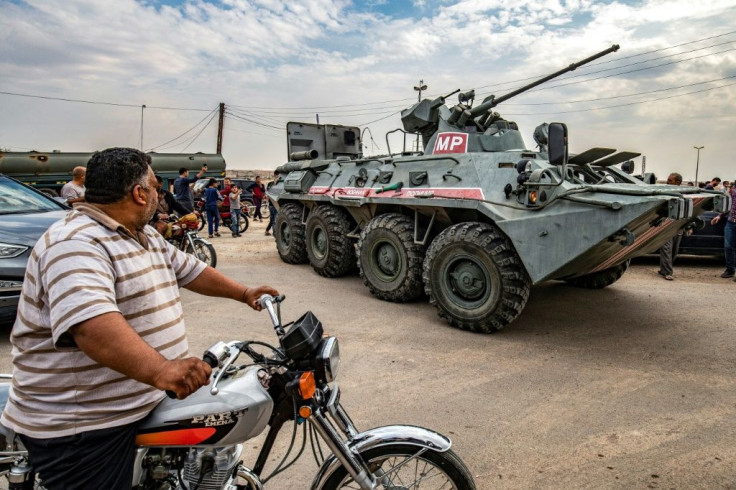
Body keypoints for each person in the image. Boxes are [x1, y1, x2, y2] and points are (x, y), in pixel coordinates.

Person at [0, 147, 278, 489]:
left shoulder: (140, 233)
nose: (159, 195)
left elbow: (190, 269)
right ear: (139, 192)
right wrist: (162, 370)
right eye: (155, 188)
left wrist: (244, 293)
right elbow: (93, 327)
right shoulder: (74, 243)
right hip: (87, 426)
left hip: (139, 405)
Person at [659, 172, 685, 280]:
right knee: (666, 249)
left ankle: (663, 269)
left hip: (678, 225)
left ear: (678, 183)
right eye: (668, 180)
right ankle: (667, 272)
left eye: (670, 181)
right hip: (666, 225)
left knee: (674, 250)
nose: (667, 182)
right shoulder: (665, 192)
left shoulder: (684, 194)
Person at [711, 177, 736, 279]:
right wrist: (719, 215)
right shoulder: (733, 189)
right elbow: (729, 205)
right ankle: (730, 270)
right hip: (731, 222)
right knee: (728, 247)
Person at [265, 171, 279, 236]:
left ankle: (267, 230)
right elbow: (269, 193)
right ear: (275, 176)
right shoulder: (271, 184)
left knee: (273, 219)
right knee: (274, 219)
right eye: (277, 176)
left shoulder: (280, 184)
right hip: (272, 204)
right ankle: (275, 233)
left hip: (278, 204)